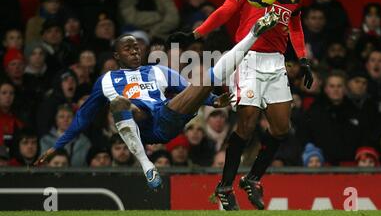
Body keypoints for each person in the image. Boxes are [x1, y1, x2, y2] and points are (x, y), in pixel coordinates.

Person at [35, 13, 280, 189]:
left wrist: (214, 101)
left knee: (204, 79)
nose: (134, 52)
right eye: (128, 49)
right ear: (116, 55)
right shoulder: (106, 80)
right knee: (120, 102)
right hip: (139, 128)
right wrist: (58, 145)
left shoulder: (159, 71)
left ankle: (252, 35)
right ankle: (146, 165)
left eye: (136, 48)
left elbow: (188, 91)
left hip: (165, 120)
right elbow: (83, 116)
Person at [188, 0, 312, 210]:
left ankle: (252, 179)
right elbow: (226, 10)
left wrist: (303, 59)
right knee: (247, 123)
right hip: (248, 58)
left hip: (277, 63)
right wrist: (198, 33)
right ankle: (224, 187)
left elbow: (296, 27)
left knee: (281, 129)